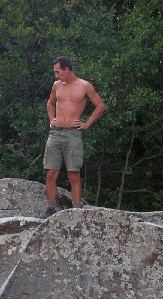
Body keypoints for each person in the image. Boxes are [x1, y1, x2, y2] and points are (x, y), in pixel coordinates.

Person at [43, 56, 105, 217]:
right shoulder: (57, 85)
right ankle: (50, 209)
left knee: (74, 174)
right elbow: (50, 103)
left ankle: (76, 211)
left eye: (58, 72)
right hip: (55, 133)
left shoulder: (84, 86)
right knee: (51, 172)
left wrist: (87, 123)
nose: (56, 75)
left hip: (72, 133)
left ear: (67, 69)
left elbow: (100, 105)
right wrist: (51, 119)